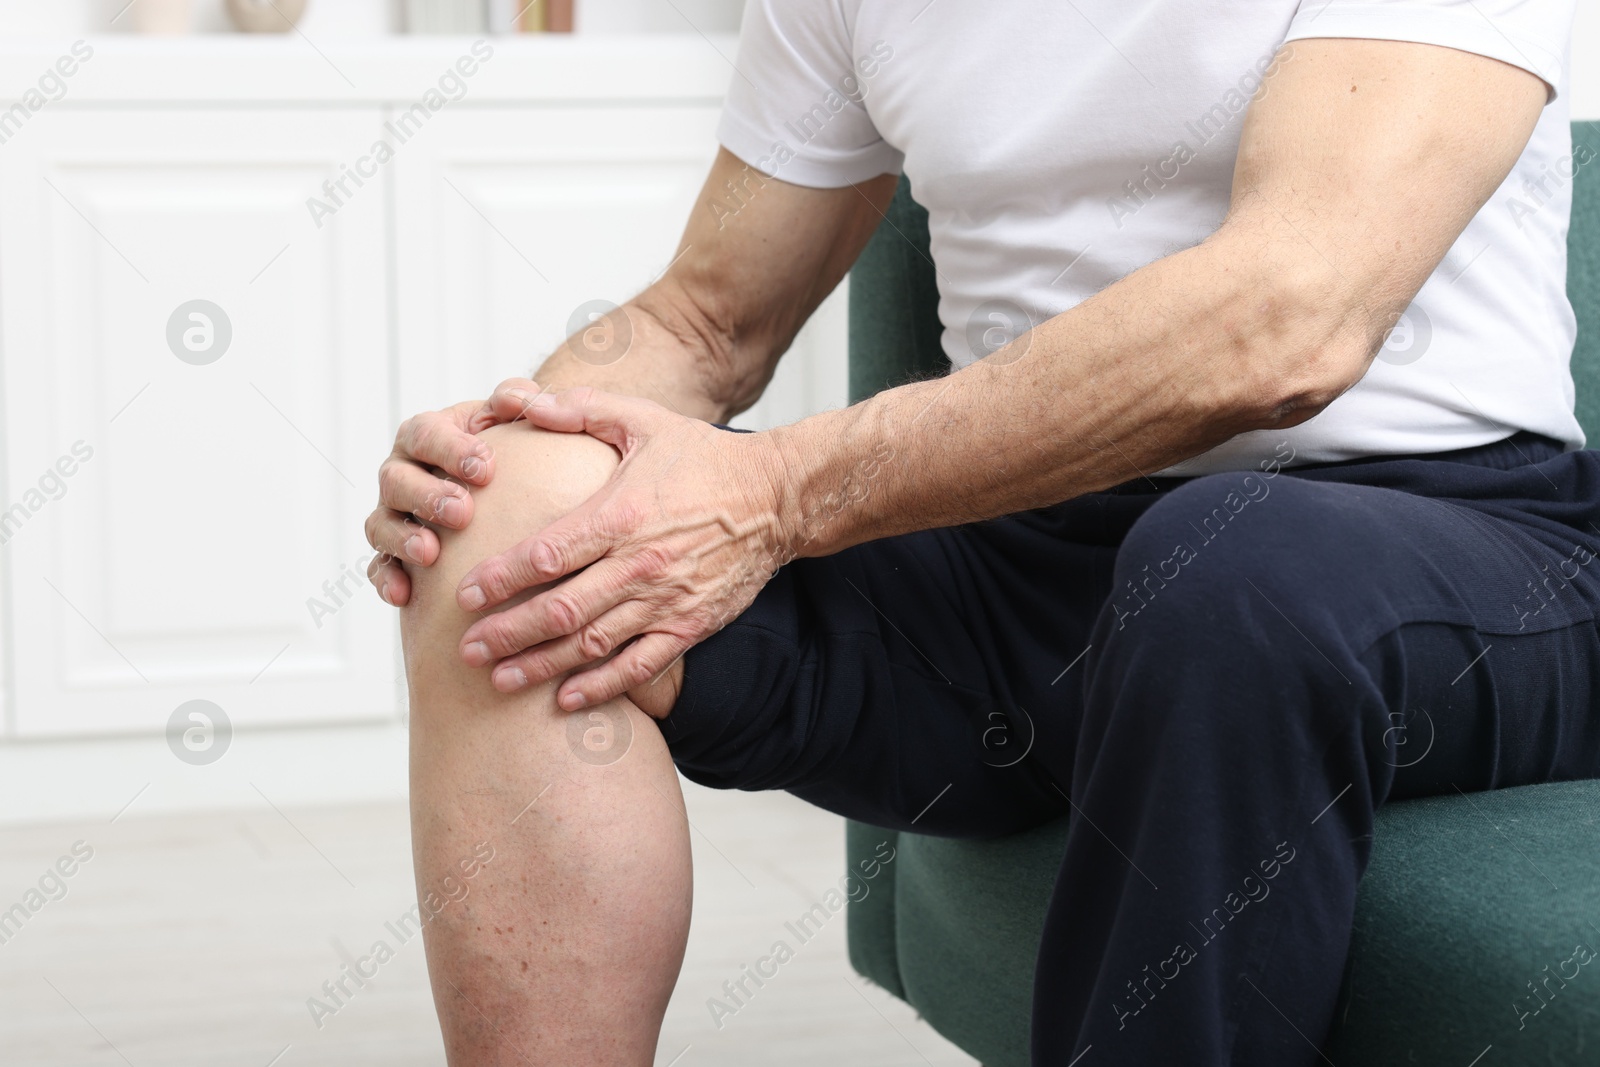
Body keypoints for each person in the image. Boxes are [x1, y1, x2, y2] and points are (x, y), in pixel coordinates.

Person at [365, 1, 1599, 1063]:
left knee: (1230, 567)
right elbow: (704, 324)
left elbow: (1286, 323)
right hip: (1023, 563)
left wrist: (780, 492)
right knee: (506, 529)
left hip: (1442, 546)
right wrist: (498, 448)